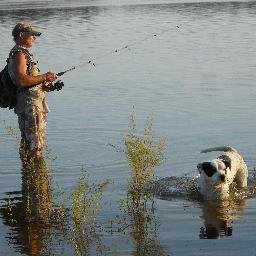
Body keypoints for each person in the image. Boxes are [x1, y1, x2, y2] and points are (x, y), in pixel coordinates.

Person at [8, 22, 58, 157]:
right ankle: (36, 175)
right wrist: (45, 76)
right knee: (34, 147)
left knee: (31, 145)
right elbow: (21, 80)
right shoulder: (19, 54)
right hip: (30, 107)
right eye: (32, 35)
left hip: (31, 104)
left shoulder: (23, 53)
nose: (34, 38)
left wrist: (44, 85)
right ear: (21, 35)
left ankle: (29, 175)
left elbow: (26, 81)